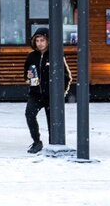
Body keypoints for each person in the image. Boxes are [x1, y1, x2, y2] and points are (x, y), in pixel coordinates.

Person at [23, 26, 73, 154]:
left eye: (42, 40)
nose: (40, 43)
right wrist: (28, 77)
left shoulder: (56, 56)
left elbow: (67, 76)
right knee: (29, 114)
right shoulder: (31, 57)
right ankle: (36, 142)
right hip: (35, 94)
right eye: (37, 40)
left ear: (48, 41)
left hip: (52, 96)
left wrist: (61, 93)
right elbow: (26, 75)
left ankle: (53, 144)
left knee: (52, 122)